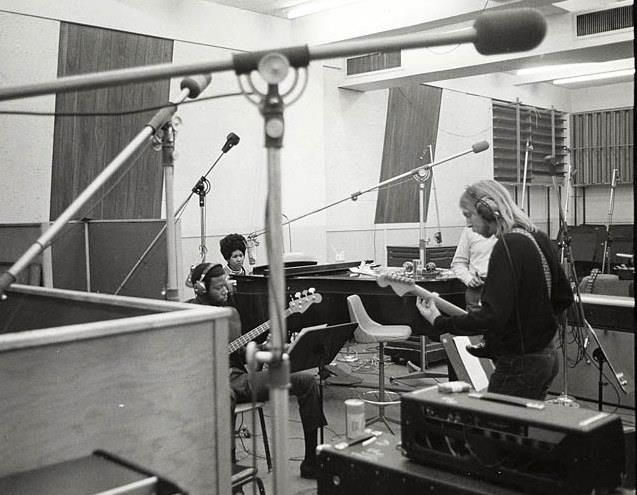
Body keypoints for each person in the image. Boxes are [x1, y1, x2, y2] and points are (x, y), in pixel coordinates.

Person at [416, 180, 573, 401]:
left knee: (494, 431)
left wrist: (439, 322)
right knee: (521, 430)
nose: (468, 224)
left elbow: (492, 316)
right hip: (546, 357)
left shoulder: (508, 245)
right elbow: (564, 297)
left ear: (488, 210)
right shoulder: (537, 236)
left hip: (520, 364)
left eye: (469, 215)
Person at [186, 262, 327, 479]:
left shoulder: (230, 313)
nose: (225, 291)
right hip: (206, 384)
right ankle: (229, 473)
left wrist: (262, 349)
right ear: (201, 288)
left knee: (305, 382)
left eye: (226, 285)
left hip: (238, 378)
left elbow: (241, 354)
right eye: (218, 288)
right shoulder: (186, 314)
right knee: (223, 396)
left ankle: (310, 463)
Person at [450, 226, 497, 312]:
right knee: (475, 323)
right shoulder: (470, 230)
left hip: (504, 286)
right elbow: (458, 263)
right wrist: (468, 279)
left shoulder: (512, 229)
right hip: (478, 288)